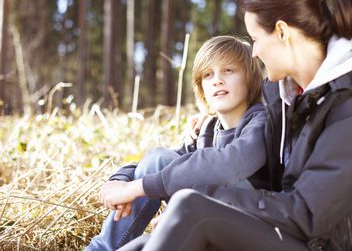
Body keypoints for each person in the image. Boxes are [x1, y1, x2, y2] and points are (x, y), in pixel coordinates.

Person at [120, 0, 352, 251]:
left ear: (282, 32)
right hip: (296, 235)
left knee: (191, 209)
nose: (254, 52)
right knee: (142, 245)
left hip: (333, 244)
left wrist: (206, 198)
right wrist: (213, 116)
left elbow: (308, 213)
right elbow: (236, 148)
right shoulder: (290, 99)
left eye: (255, 38)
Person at [86, 35, 275, 250]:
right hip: (203, 216)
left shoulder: (261, 121)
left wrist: (138, 188)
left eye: (228, 70)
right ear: (201, 87)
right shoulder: (207, 129)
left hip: (247, 225)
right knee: (159, 160)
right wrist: (121, 179)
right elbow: (163, 161)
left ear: (250, 77)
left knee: (180, 166)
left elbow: (228, 164)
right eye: (208, 74)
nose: (217, 80)